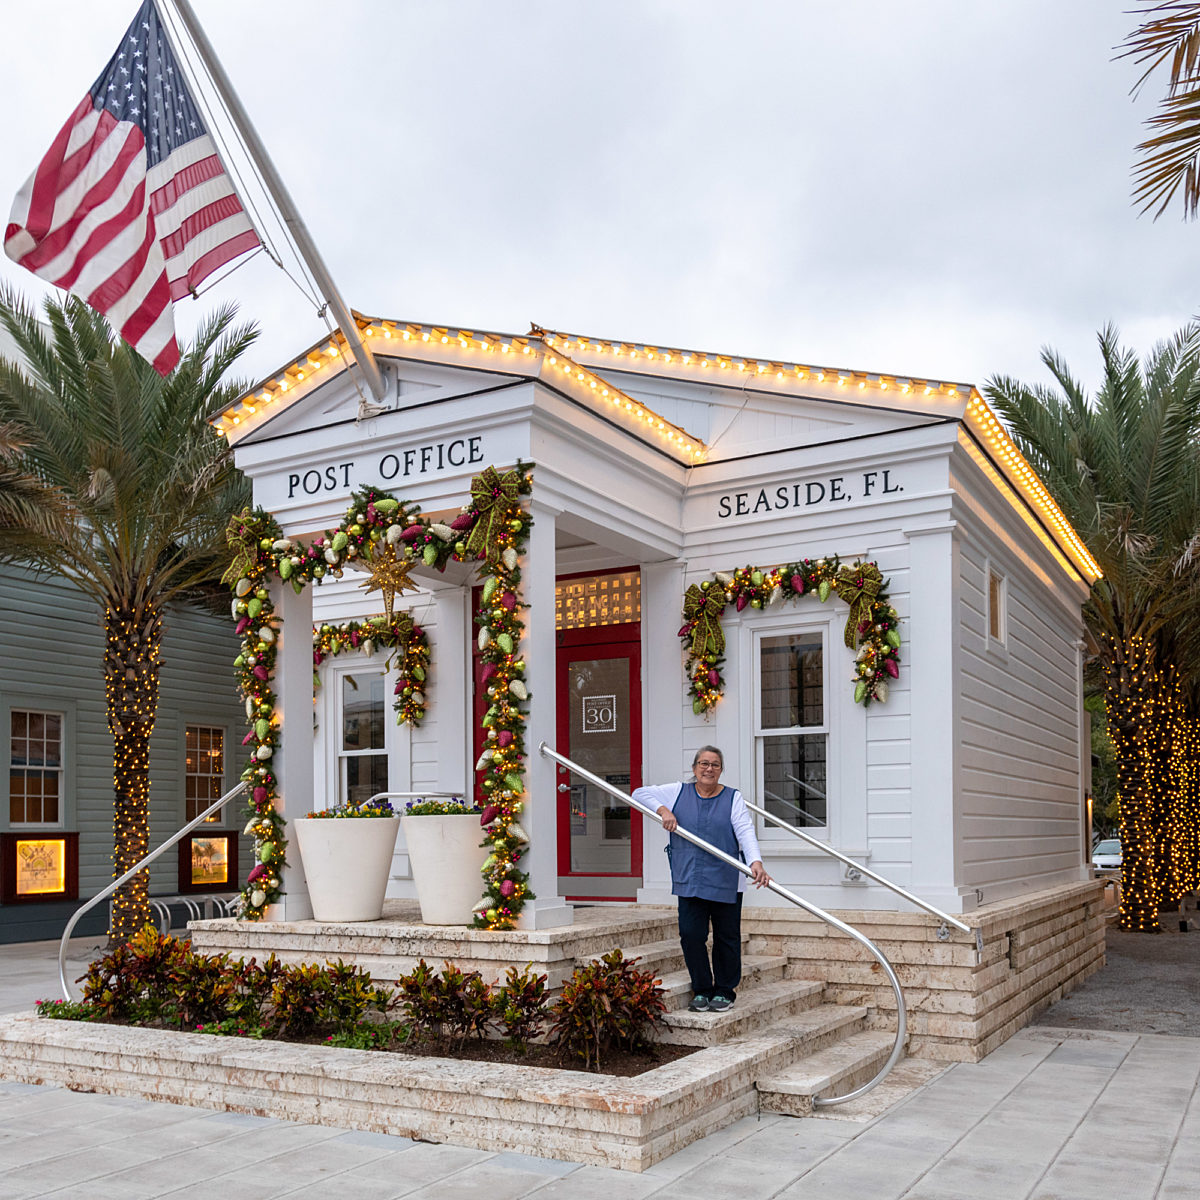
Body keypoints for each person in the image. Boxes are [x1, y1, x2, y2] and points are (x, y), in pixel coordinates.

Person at [632, 746, 770, 1012]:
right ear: (694, 768)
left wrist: (755, 862)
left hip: (725, 877)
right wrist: (663, 811)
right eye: (704, 764)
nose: (709, 769)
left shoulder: (733, 798)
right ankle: (702, 988)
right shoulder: (678, 792)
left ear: (721, 770)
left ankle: (725, 991)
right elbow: (639, 793)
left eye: (715, 765)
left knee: (726, 937)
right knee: (691, 934)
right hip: (690, 876)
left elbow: (745, 831)